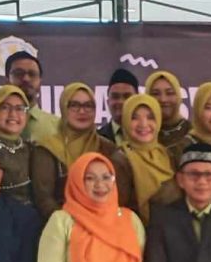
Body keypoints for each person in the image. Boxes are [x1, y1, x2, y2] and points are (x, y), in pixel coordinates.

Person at [30, 81, 133, 221]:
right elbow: (44, 199)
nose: (82, 111)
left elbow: (120, 196)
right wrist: (72, 224)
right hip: (61, 225)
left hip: (103, 224)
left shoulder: (107, 148)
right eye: (74, 105)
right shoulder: (47, 148)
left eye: (88, 106)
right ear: (63, 107)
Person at [115, 92, 174, 222]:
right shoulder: (120, 160)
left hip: (172, 229)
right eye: (134, 118)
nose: (143, 124)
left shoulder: (165, 154)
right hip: (137, 230)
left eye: (150, 117)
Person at [146, 70, 193, 150]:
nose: (163, 99)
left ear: (178, 96)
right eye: (156, 94)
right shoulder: (141, 131)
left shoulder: (192, 133)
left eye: (170, 93)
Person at [101, 68, 139, 141]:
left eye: (127, 96)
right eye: (115, 96)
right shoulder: (95, 140)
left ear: (138, 100)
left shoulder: (150, 136)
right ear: (108, 102)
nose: (121, 102)